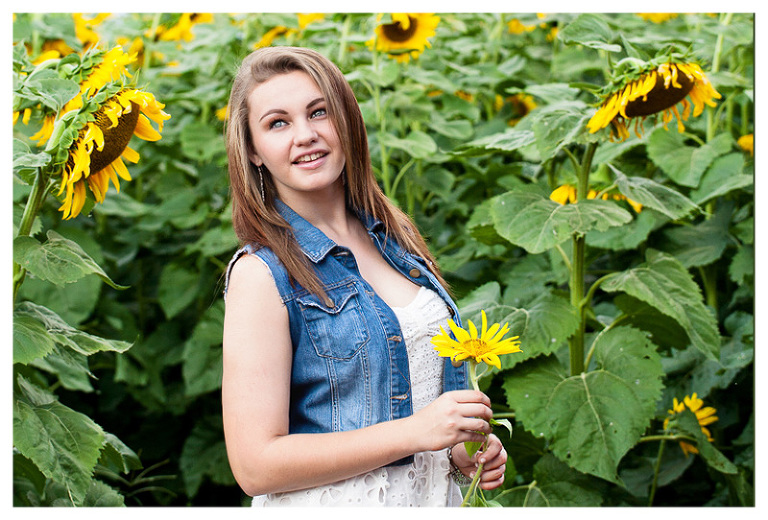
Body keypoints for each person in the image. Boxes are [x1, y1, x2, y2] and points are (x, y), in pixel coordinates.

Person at [221, 46, 507, 507]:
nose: (306, 135)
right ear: (253, 151)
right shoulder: (262, 273)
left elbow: (413, 398)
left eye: (320, 112)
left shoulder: (395, 239)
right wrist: (414, 432)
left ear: (347, 122)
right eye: (278, 123)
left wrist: (460, 450)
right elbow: (255, 466)